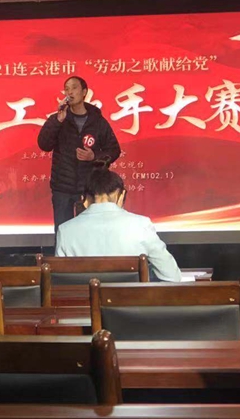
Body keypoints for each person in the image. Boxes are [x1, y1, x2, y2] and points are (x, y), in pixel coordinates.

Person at [55, 161, 181, 282]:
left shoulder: (65, 231)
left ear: (85, 200)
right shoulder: (142, 225)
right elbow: (172, 275)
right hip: (129, 297)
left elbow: (59, 282)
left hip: (84, 297)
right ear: (121, 196)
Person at [38, 76, 121, 229]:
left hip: (89, 188)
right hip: (62, 188)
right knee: (63, 233)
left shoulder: (97, 121)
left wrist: (94, 157)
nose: (70, 92)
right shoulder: (59, 119)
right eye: (66, 89)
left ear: (84, 92)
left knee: (89, 233)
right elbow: (44, 144)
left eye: (74, 88)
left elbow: (114, 150)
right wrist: (57, 121)